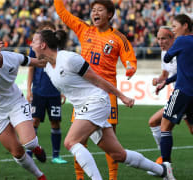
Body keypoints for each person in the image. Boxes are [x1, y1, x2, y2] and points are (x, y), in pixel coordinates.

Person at [30, 29, 174, 180]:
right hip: (83, 108)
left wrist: (122, 96)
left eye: (34, 41)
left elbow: (97, 80)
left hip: (96, 102)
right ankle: (163, 170)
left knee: (71, 141)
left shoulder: (69, 59)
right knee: (118, 154)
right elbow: (24, 61)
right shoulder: (47, 65)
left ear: (43, 45)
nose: (31, 45)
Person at [54, 1, 137, 179]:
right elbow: (63, 13)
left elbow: (129, 57)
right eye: (93, 10)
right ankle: (80, 177)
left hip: (107, 92)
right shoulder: (84, 29)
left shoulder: (118, 37)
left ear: (109, 14)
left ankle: (112, 177)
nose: (95, 13)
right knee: (78, 139)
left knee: (110, 140)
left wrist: (130, 67)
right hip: (83, 91)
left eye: (99, 10)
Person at [0, 31, 47, 180]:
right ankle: (40, 176)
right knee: (17, 152)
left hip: (15, 103)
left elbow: (37, 62)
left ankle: (37, 148)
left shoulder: (13, 57)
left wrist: (53, 56)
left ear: (0, 44)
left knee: (30, 143)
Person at [148, 26, 193, 168]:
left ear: (172, 38)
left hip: (183, 93)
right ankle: (164, 158)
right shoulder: (164, 54)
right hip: (182, 93)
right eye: (158, 39)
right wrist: (160, 80)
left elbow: (183, 72)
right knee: (156, 122)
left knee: (158, 123)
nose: (160, 42)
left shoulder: (182, 47)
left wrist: (166, 82)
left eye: (163, 39)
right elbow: (165, 73)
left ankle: (165, 162)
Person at [26, 20, 67, 164]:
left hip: (55, 92)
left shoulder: (59, 51)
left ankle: (56, 156)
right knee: (34, 121)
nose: (50, 31)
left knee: (55, 122)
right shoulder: (35, 49)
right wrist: (29, 90)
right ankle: (29, 154)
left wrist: (63, 91)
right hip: (39, 91)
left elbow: (62, 71)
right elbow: (31, 69)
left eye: (51, 29)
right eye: (46, 30)